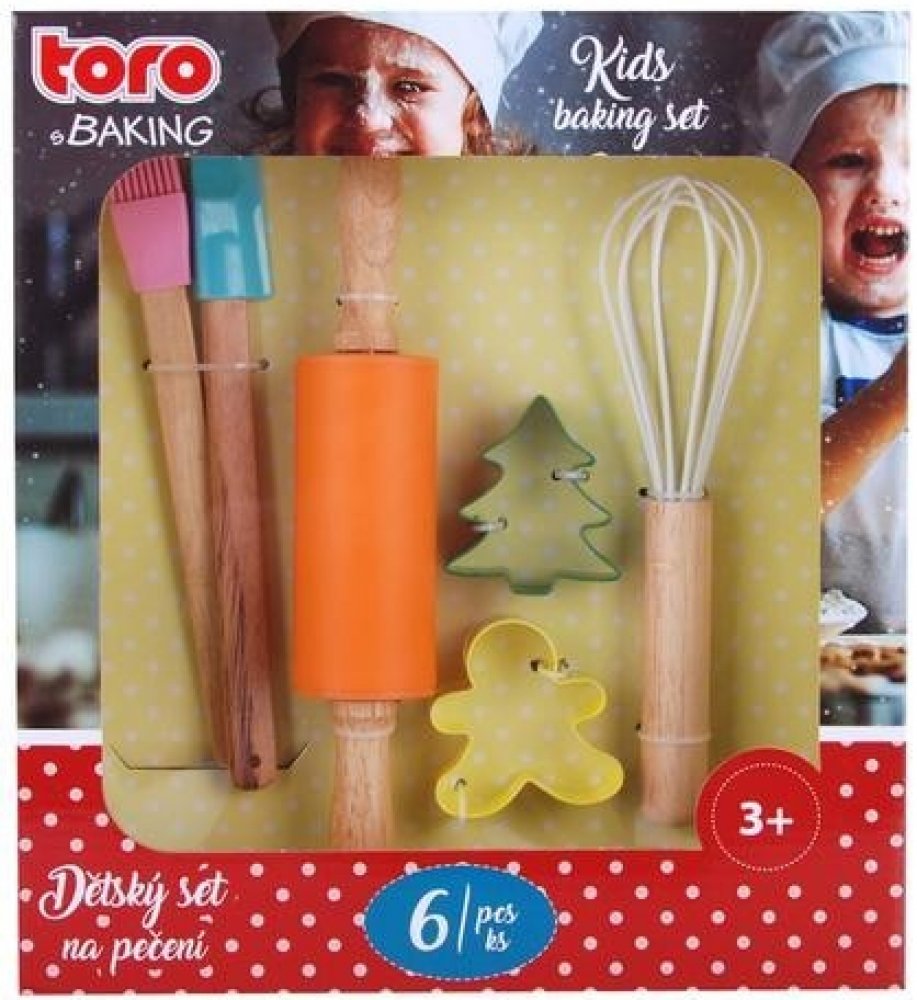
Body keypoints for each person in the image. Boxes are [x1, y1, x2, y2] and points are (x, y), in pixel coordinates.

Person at [741, 12, 908, 634]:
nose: (887, 188)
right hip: (812, 657)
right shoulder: (775, 337)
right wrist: (894, 396)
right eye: (849, 161)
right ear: (788, 187)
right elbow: (772, 508)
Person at [265, 12, 543, 155]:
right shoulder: (258, 217)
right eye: (334, 80)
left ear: (475, 116)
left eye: (409, 87)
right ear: (294, 98)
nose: (368, 119)